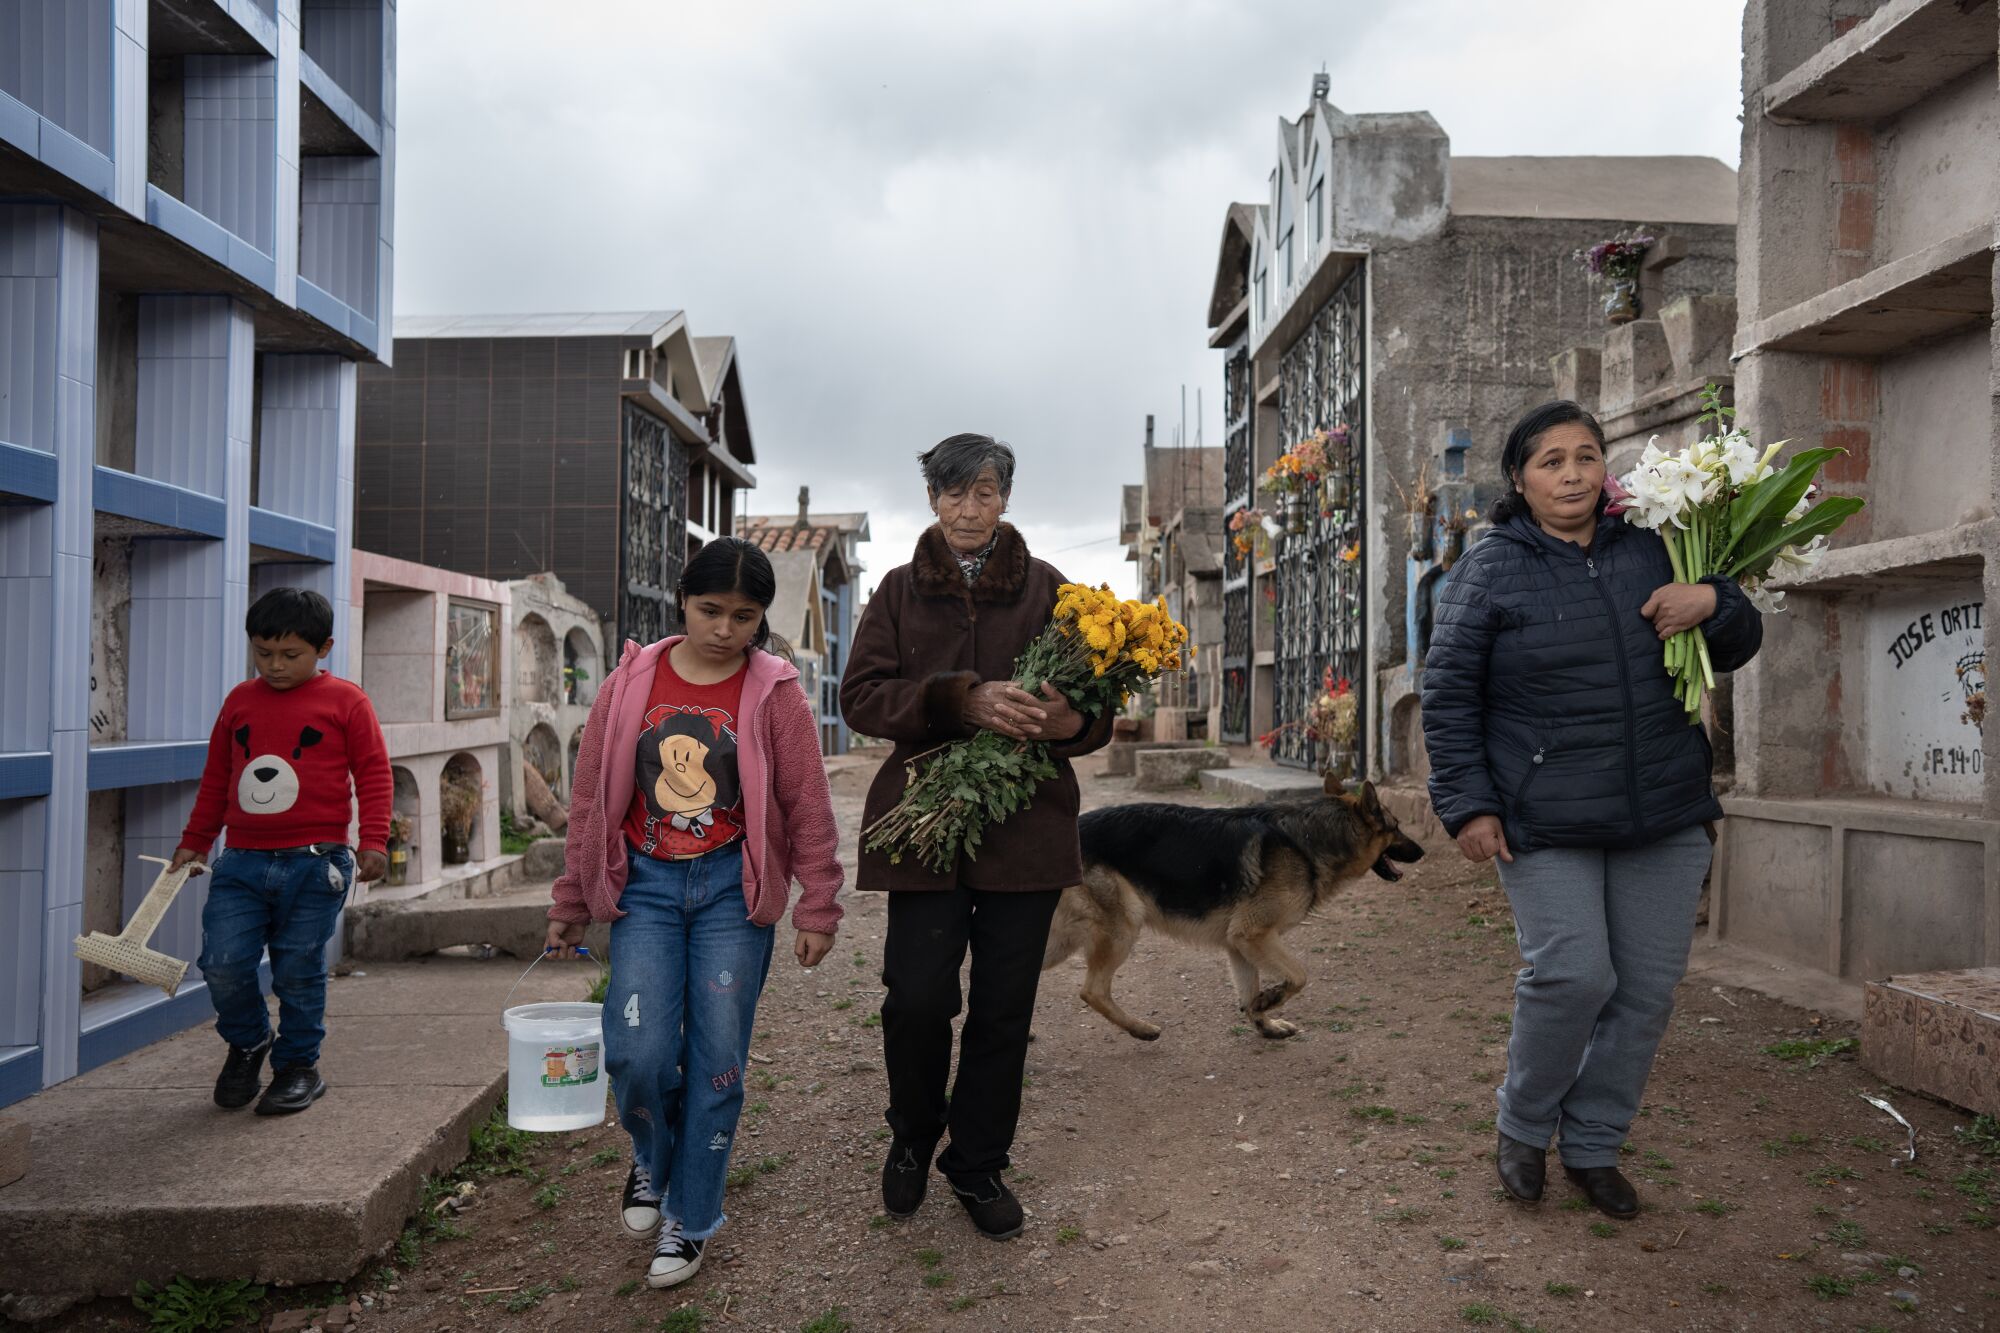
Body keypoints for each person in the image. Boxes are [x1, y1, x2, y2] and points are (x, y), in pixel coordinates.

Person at [1421, 401, 1764, 1219]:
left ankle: (1595, 1142)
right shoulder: (1489, 566)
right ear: (1519, 477)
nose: (1572, 473)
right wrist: (1469, 804)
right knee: (1574, 973)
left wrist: (1713, 602)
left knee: (1645, 990)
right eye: (1551, 461)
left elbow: (1737, 640)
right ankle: (1524, 1122)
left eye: (1586, 456)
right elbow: (1447, 694)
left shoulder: (1657, 543)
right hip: (1546, 816)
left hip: (1663, 812)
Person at [545, 537, 843, 1289]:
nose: (725, 629)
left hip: (729, 895)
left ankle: (691, 1212)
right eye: (711, 610)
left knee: (717, 1061)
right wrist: (572, 899)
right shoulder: (628, 684)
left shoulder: (776, 693)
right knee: (638, 1049)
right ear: (683, 600)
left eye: (744, 616)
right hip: (642, 885)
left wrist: (819, 904)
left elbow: (806, 803)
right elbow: (589, 799)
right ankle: (652, 1159)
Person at [841, 433, 1115, 1241]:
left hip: (1025, 831)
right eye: (955, 493)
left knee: (1004, 1006)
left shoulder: (1051, 592)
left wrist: (1070, 720)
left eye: (985, 492)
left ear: (1005, 498)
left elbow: (1093, 707)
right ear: (932, 498)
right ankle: (912, 1135)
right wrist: (960, 702)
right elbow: (862, 697)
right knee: (918, 998)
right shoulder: (896, 592)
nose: (969, 508)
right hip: (924, 826)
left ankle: (978, 1158)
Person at [171, 587, 392, 1116]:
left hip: (317, 865)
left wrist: (374, 840)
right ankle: (248, 1043)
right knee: (222, 962)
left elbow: (374, 773)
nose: (274, 665)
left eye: (289, 655)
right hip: (242, 861)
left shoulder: (347, 701)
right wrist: (195, 841)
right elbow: (218, 777)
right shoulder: (239, 702)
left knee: (297, 966)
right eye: (263, 653)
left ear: (324, 648)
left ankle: (297, 1066)